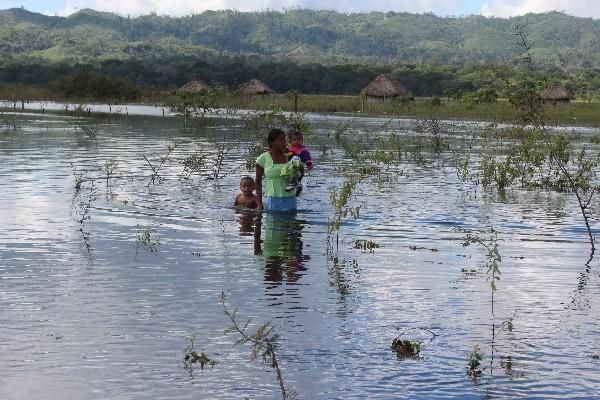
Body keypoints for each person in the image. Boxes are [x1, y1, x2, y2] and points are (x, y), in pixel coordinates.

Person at [255, 128, 301, 212]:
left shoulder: (290, 156)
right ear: (272, 142)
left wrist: (297, 162)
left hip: (290, 198)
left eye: (284, 139)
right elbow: (258, 181)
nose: (284, 142)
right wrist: (259, 203)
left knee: (291, 223)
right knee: (273, 223)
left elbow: (300, 175)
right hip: (273, 199)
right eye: (280, 140)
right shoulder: (263, 158)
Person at [286, 129, 313, 195]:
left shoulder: (303, 150)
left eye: (298, 139)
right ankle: (297, 187)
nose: (296, 141)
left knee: (297, 177)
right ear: (291, 141)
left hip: (299, 166)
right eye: (294, 140)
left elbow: (307, 158)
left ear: (302, 140)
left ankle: (297, 186)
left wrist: (309, 165)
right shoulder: (289, 149)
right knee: (293, 178)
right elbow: (287, 156)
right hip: (290, 166)